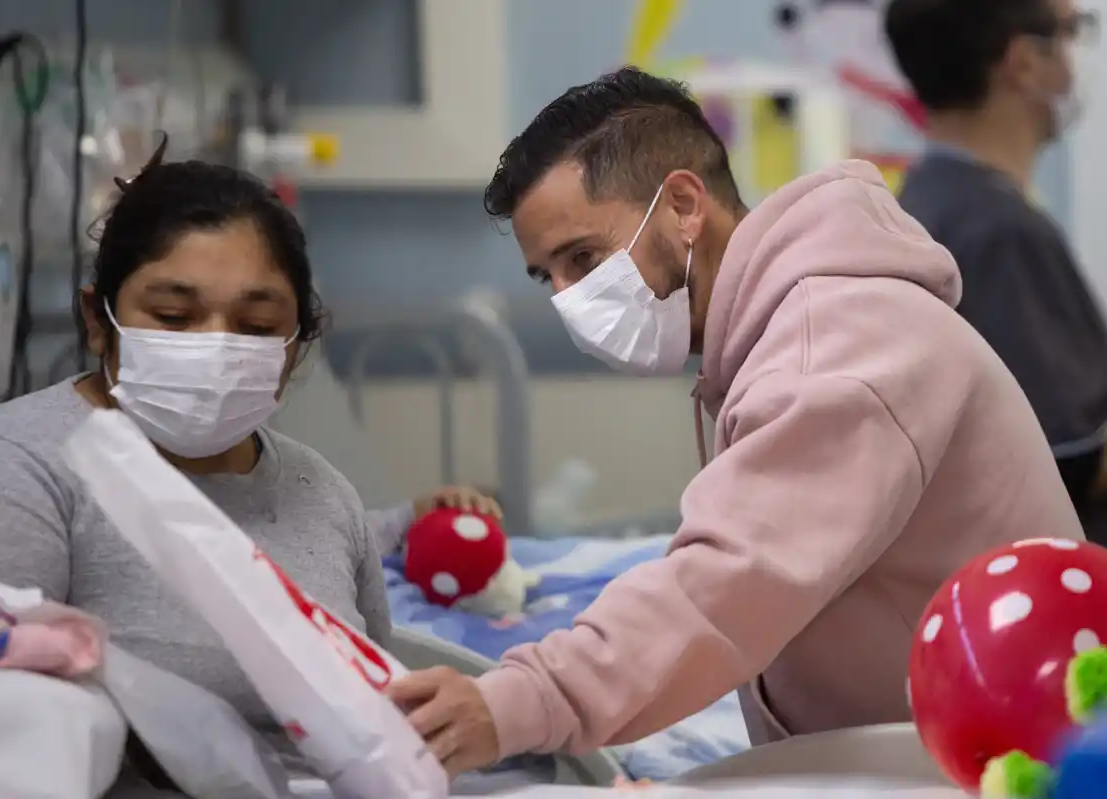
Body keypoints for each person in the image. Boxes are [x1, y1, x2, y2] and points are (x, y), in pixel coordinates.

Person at [386, 66, 1084, 777]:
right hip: (932, 734)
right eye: (549, 277)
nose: (569, 299)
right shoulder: (791, 331)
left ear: (684, 205)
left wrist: (520, 700)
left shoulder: (836, 344)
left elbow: (723, 582)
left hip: (998, 758)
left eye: (584, 259)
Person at [0, 143, 494, 786]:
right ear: (97, 322)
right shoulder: (7, 474)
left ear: (295, 348)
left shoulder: (319, 491)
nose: (216, 345)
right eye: (173, 317)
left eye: (258, 323)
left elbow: (376, 706)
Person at [888, 0, 1107, 540]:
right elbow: (1073, 456)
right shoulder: (1000, 232)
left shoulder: (921, 206)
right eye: (1070, 32)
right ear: (1024, 62)